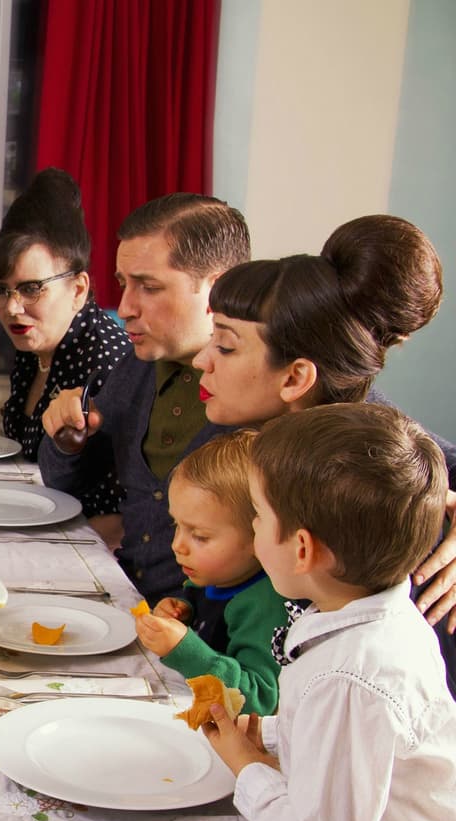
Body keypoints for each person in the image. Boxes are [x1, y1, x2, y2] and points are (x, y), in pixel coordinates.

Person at [192, 214, 456, 690]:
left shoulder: (377, 495)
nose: (200, 360)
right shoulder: (234, 442)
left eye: (226, 347)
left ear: (295, 377)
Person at [206, 403, 456, 821]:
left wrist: (248, 768)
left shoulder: (349, 676)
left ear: (302, 549)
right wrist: (268, 739)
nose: (253, 529)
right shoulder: (373, 616)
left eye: (257, 516)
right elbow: (345, 742)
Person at [40, 193, 250, 599]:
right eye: (123, 284)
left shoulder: (264, 380)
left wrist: (414, 535)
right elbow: (66, 485)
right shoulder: (138, 366)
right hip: (130, 601)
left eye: (149, 287)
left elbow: (372, 422)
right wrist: (67, 440)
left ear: (217, 289)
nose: (126, 307)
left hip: (213, 639)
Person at [0, 168, 131, 521]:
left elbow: (115, 502)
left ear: (79, 290)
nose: (12, 307)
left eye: (31, 288)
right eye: (1, 289)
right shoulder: (36, 344)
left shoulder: (106, 360)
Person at [134, 430, 284, 714]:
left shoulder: (265, 606)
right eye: (176, 526)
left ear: (259, 536)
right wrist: (183, 610)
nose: (177, 545)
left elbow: (260, 701)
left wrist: (185, 650)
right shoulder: (218, 575)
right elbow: (208, 607)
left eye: (200, 536)